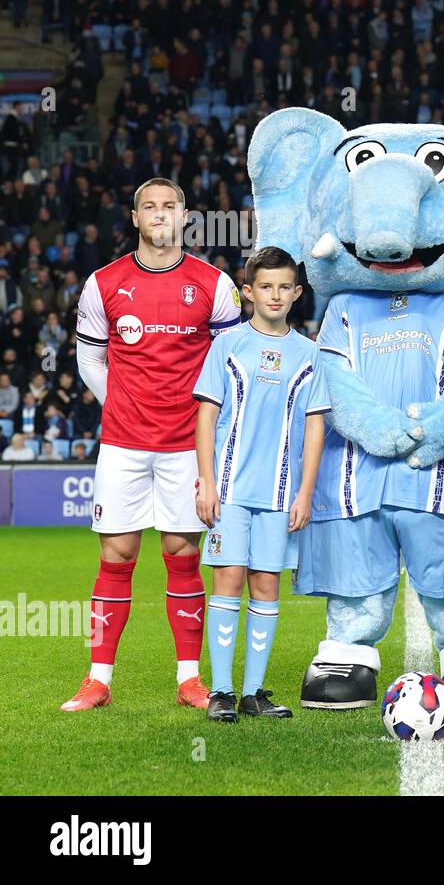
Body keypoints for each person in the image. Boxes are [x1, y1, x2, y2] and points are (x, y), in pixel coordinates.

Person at [61, 178, 241, 713]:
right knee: (116, 554)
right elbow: (89, 358)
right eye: (149, 207)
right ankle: (98, 680)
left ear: (185, 216)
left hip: (189, 445)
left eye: (169, 206)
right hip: (123, 443)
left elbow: (231, 363)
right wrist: (120, 401)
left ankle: (189, 679)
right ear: (135, 217)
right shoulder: (103, 283)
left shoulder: (215, 285)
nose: (160, 214)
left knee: (182, 553)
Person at [193, 247, 330, 723]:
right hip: (229, 492)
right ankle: (222, 693)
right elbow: (206, 416)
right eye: (264, 287)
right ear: (248, 292)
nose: (275, 295)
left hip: (280, 494)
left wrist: (306, 492)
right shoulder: (228, 345)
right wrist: (206, 483)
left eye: (283, 287)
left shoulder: (309, 354)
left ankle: (254, 693)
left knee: (267, 585)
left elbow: (315, 427)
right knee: (228, 582)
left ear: (297, 293)